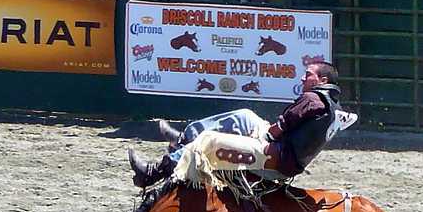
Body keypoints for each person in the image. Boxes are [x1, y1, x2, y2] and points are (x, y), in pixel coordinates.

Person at [128, 61, 355, 188]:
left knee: (210, 141)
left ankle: (155, 172)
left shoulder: (313, 99)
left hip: (276, 154)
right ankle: (183, 140)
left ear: (322, 80)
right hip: (286, 155)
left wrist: (265, 135)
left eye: (308, 75)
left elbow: (284, 125)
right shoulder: (331, 104)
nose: (302, 79)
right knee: (244, 116)